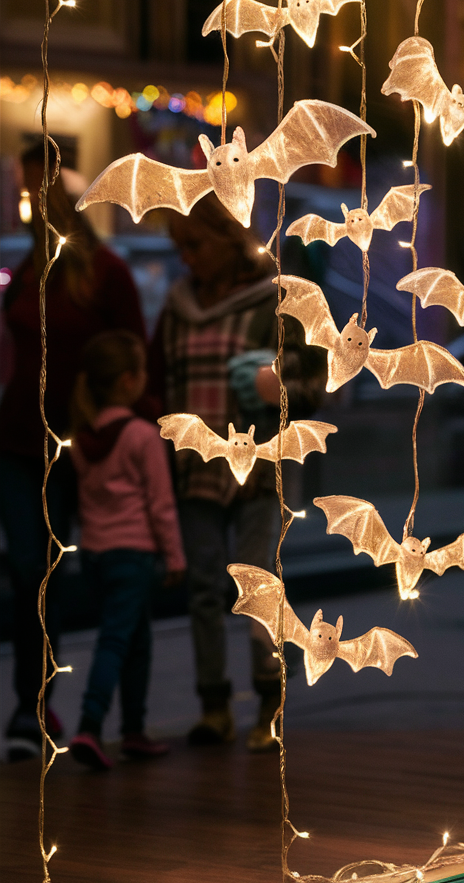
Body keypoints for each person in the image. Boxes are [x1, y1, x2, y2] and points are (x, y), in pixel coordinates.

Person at [150, 193, 326, 751]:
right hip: (194, 467)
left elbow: (313, 391)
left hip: (259, 467)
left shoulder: (275, 304)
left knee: (257, 587)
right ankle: (214, 706)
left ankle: (269, 705)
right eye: (180, 248)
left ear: (228, 239)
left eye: (195, 245)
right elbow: (162, 386)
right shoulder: (178, 308)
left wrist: (278, 391)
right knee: (203, 587)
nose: (187, 259)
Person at [0, 143, 146, 761]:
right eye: (30, 190)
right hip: (19, 443)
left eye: (44, 188)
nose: (37, 202)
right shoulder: (29, 269)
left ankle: (121, 718)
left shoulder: (105, 272)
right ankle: (30, 709)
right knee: (32, 573)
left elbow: (134, 358)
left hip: (86, 449)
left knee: (118, 571)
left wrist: (126, 439)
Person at [69, 330, 186, 770]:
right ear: (127, 381)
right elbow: (160, 503)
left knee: (136, 641)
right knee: (118, 641)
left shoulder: (81, 438)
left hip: (98, 557)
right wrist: (174, 557)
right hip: (134, 555)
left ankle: (134, 731)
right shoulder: (141, 435)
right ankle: (89, 725)